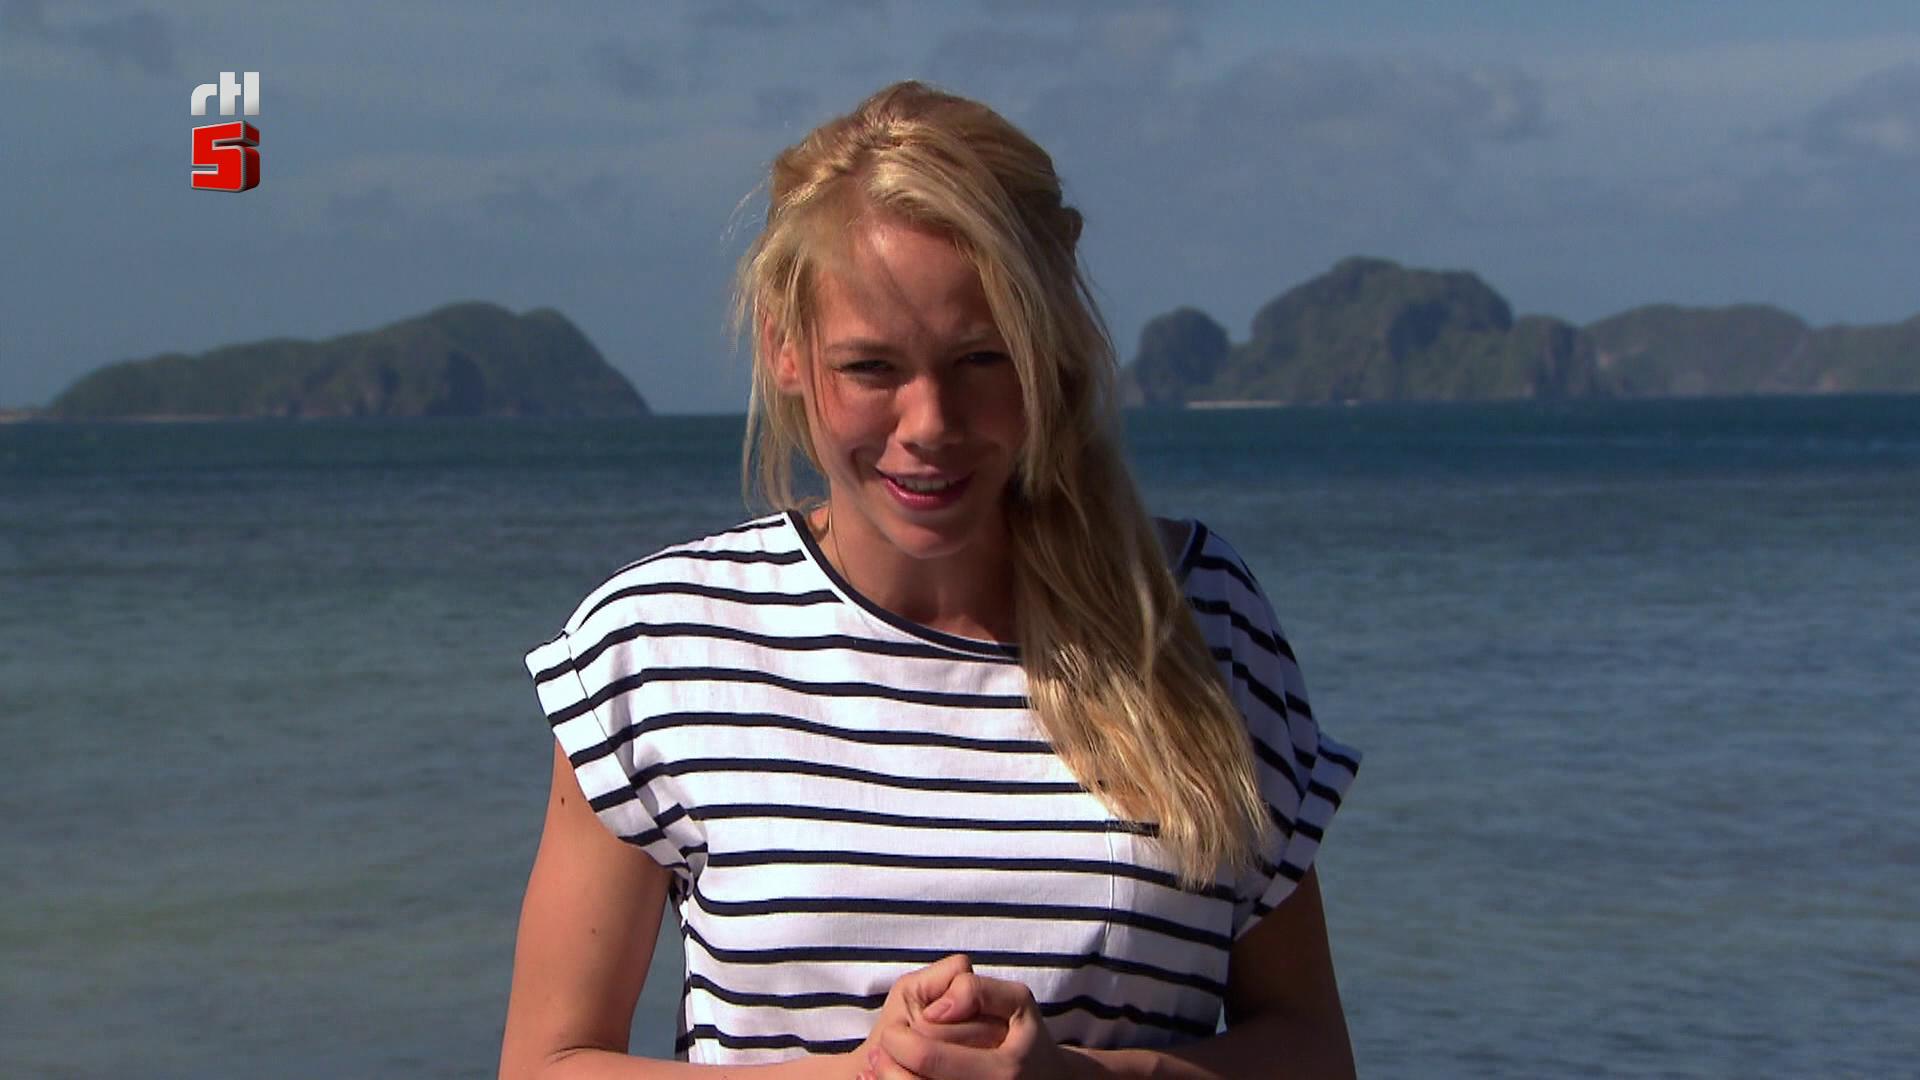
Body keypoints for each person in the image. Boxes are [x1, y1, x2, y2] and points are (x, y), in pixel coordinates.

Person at [499, 80, 1361, 1079]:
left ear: (1046, 346)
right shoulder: (657, 646)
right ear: (785, 348)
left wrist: (1078, 1078)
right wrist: (867, 1072)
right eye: (872, 368)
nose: (931, 424)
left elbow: (1313, 1054)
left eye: (982, 358)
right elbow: (546, 1063)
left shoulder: (1195, 615)